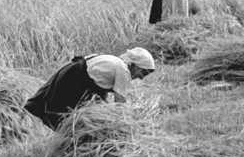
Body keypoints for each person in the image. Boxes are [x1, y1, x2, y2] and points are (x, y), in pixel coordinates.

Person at [24, 47, 156, 129]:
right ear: (134, 65)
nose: (141, 77)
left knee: (81, 119)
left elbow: (100, 91)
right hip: (73, 80)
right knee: (65, 118)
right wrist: (128, 126)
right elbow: (120, 105)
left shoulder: (115, 61)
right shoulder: (123, 70)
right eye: (142, 72)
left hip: (73, 75)